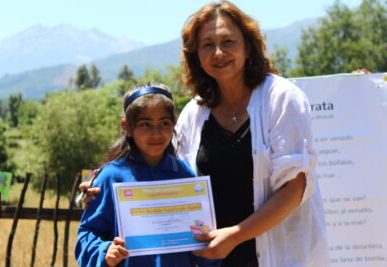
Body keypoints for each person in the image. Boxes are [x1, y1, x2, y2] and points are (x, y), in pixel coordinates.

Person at [81, 1, 329, 266]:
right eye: (207, 45)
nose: (218, 52)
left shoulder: (281, 98)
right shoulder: (194, 112)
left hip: (278, 255)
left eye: (228, 41)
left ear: (248, 46)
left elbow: (295, 187)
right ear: (196, 55)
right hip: (211, 258)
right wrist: (95, 185)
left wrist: (234, 236)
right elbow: (154, 164)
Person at [75, 82, 220, 267]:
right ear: (127, 127)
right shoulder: (110, 177)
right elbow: (87, 234)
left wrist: (209, 247)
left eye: (164, 123)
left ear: (174, 123)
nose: (156, 133)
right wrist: (105, 252)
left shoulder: (185, 175)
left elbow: (203, 249)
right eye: (145, 124)